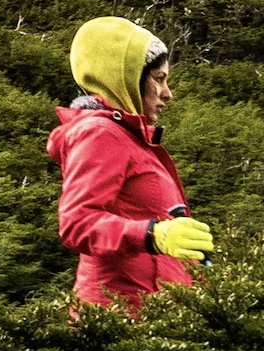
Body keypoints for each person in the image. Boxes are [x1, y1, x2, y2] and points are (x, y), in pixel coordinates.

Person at [48, 16, 214, 313]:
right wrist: (154, 235)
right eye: (159, 78)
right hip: (118, 317)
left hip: (151, 315)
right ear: (125, 78)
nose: (167, 93)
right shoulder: (100, 134)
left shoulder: (132, 138)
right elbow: (77, 222)